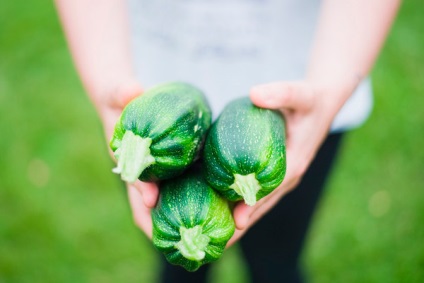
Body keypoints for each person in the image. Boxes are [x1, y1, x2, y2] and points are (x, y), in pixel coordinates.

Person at [55, 0, 400, 282]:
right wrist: (107, 80)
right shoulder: (139, 132)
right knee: (179, 267)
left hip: (307, 95)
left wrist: (332, 88)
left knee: (277, 262)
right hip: (152, 97)